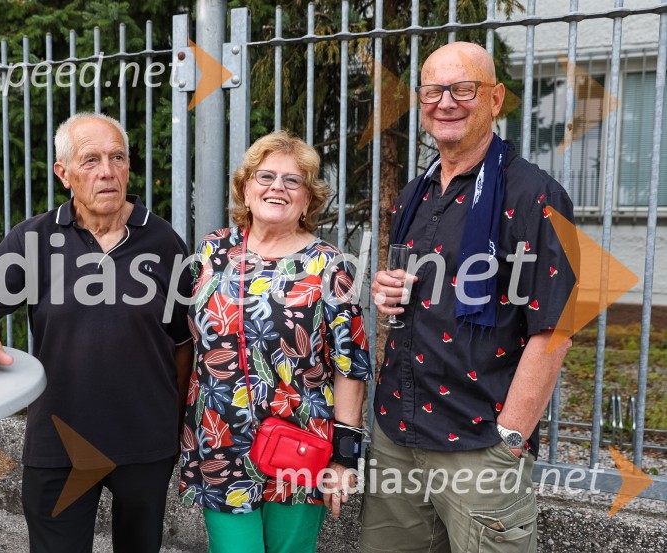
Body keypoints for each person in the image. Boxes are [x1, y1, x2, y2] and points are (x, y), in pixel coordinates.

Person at [0, 112, 193, 553]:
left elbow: (183, 344)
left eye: (118, 158)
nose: (108, 171)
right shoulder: (34, 239)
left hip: (144, 442)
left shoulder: (163, 240)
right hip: (59, 441)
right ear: (64, 173)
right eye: (91, 160)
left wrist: (174, 428)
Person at [361, 42, 576, 553]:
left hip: (480, 442)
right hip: (399, 432)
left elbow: (556, 328)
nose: (446, 102)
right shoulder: (416, 192)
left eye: (464, 89)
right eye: (433, 90)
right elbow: (422, 287)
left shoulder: (537, 195)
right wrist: (386, 288)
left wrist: (509, 440)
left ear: (496, 98)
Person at [179, 131, 371, 552]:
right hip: (221, 440)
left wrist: (344, 456)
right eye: (265, 177)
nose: (277, 188)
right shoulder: (213, 251)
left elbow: (350, 366)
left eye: (293, 180)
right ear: (245, 189)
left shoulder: (330, 267)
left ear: (308, 200)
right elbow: (189, 342)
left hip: (300, 443)